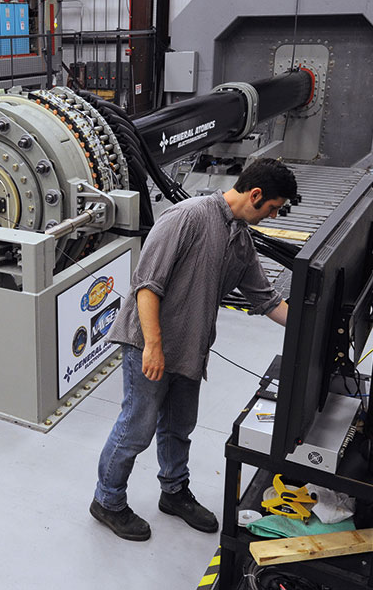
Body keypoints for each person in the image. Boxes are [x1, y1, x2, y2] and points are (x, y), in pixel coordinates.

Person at [89, 157, 297, 541]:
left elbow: (265, 298)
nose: (272, 215)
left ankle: (174, 492)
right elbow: (147, 287)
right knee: (137, 427)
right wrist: (153, 346)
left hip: (190, 348)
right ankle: (108, 501)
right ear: (255, 195)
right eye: (273, 207)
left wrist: (312, 325)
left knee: (179, 427)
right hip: (149, 345)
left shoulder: (240, 237)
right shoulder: (187, 217)